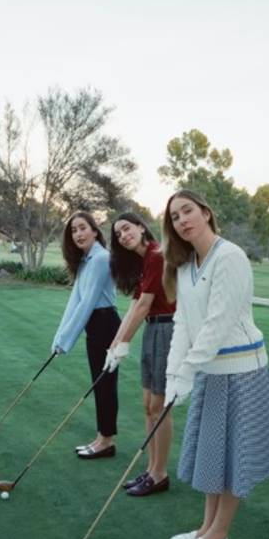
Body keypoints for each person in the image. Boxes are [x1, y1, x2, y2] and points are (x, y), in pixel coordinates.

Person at [162, 189, 269, 539]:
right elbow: (182, 323)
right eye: (175, 217)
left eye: (188, 211)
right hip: (211, 371)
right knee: (213, 452)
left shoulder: (230, 257)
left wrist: (188, 372)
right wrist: (173, 376)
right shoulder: (184, 267)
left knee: (234, 457)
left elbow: (217, 324)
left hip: (241, 371)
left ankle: (219, 535)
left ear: (206, 212)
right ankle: (206, 528)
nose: (182, 220)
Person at [104, 212, 176, 496]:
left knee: (159, 407)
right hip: (152, 330)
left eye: (126, 228)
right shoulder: (145, 260)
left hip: (167, 330)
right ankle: (150, 469)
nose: (123, 235)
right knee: (148, 405)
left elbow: (145, 305)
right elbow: (134, 307)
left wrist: (124, 344)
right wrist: (114, 343)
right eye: (118, 234)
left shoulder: (158, 254)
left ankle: (160, 474)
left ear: (141, 227)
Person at [52, 211, 120, 459]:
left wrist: (66, 341)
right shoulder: (86, 260)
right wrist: (59, 338)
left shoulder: (101, 258)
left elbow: (87, 303)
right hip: (96, 324)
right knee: (99, 383)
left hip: (105, 323)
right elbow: (75, 300)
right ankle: (102, 437)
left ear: (95, 230)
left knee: (105, 385)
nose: (78, 234)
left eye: (83, 228)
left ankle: (106, 441)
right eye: (73, 230)